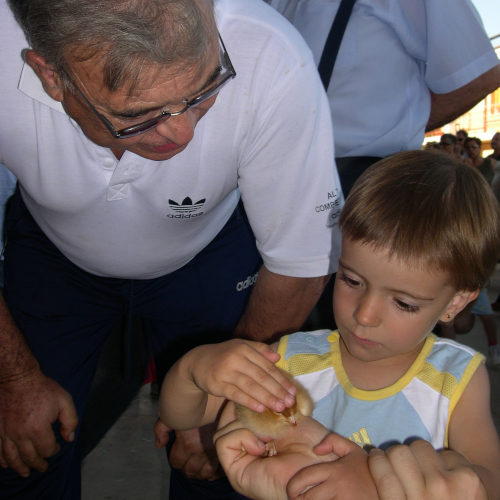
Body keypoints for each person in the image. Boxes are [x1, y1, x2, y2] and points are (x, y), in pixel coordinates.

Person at [0, 1, 343, 498]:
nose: (183, 134)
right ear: (51, 76)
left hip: (209, 249)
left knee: (231, 451)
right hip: (54, 248)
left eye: (205, 90)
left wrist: (227, 403)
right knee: (23, 449)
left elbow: (301, 259)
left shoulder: (268, 50)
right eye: (137, 117)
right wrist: (13, 379)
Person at [158, 150, 500, 499]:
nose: (364, 315)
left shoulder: (455, 379)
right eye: (351, 280)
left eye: (403, 303)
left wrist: (373, 479)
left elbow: (489, 479)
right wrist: (193, 370)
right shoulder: (293, 359)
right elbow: (188, 416)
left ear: (456, 302)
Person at [266, 0, 500, 332]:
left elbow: (478, 74)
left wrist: (400, 126)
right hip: (274, 174)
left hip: (360, 181)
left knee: (351, 329)